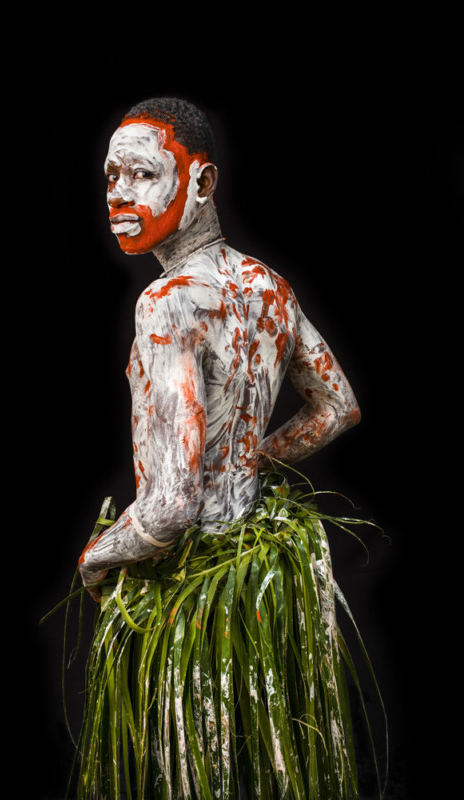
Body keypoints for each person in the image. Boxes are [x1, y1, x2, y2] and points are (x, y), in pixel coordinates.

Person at [75, 97, 369, 800]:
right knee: (261, 762)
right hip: (263, 582)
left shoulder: (167, 302)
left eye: (142, 175)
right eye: (110, 175)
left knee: (194, 768)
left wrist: (96, 556)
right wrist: (249, 463)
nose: (118, 193)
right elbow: (339, 407)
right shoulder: (270, 287)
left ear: (201, 184)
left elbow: (171, 508)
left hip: (190, 592)